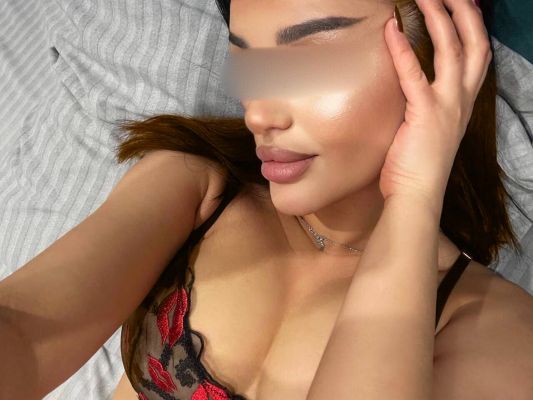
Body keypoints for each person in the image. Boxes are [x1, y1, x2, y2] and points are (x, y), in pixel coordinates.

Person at [1, 0, 532, 399]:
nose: (257, 113)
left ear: (442, 58)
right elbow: (24, 333)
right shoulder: (197, 187)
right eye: (247, 63)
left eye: (309, 61)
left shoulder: (504, 334)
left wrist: (415, 194)